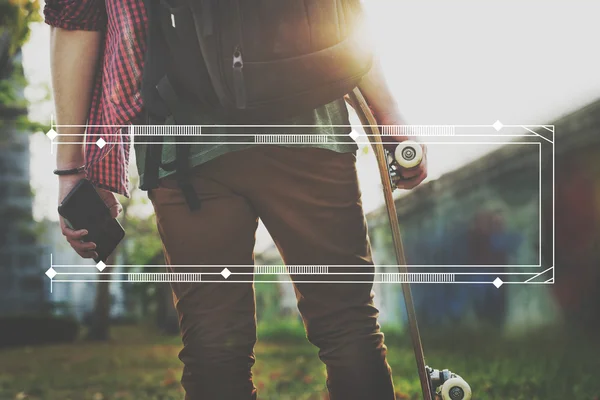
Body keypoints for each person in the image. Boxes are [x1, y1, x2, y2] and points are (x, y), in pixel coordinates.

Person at [46, 1, 428, 399]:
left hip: (184, 142)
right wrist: (388, 115)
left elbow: (75, 20)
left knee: (214, 345)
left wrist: (73, 167)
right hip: (306, 124)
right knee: (348, 325)